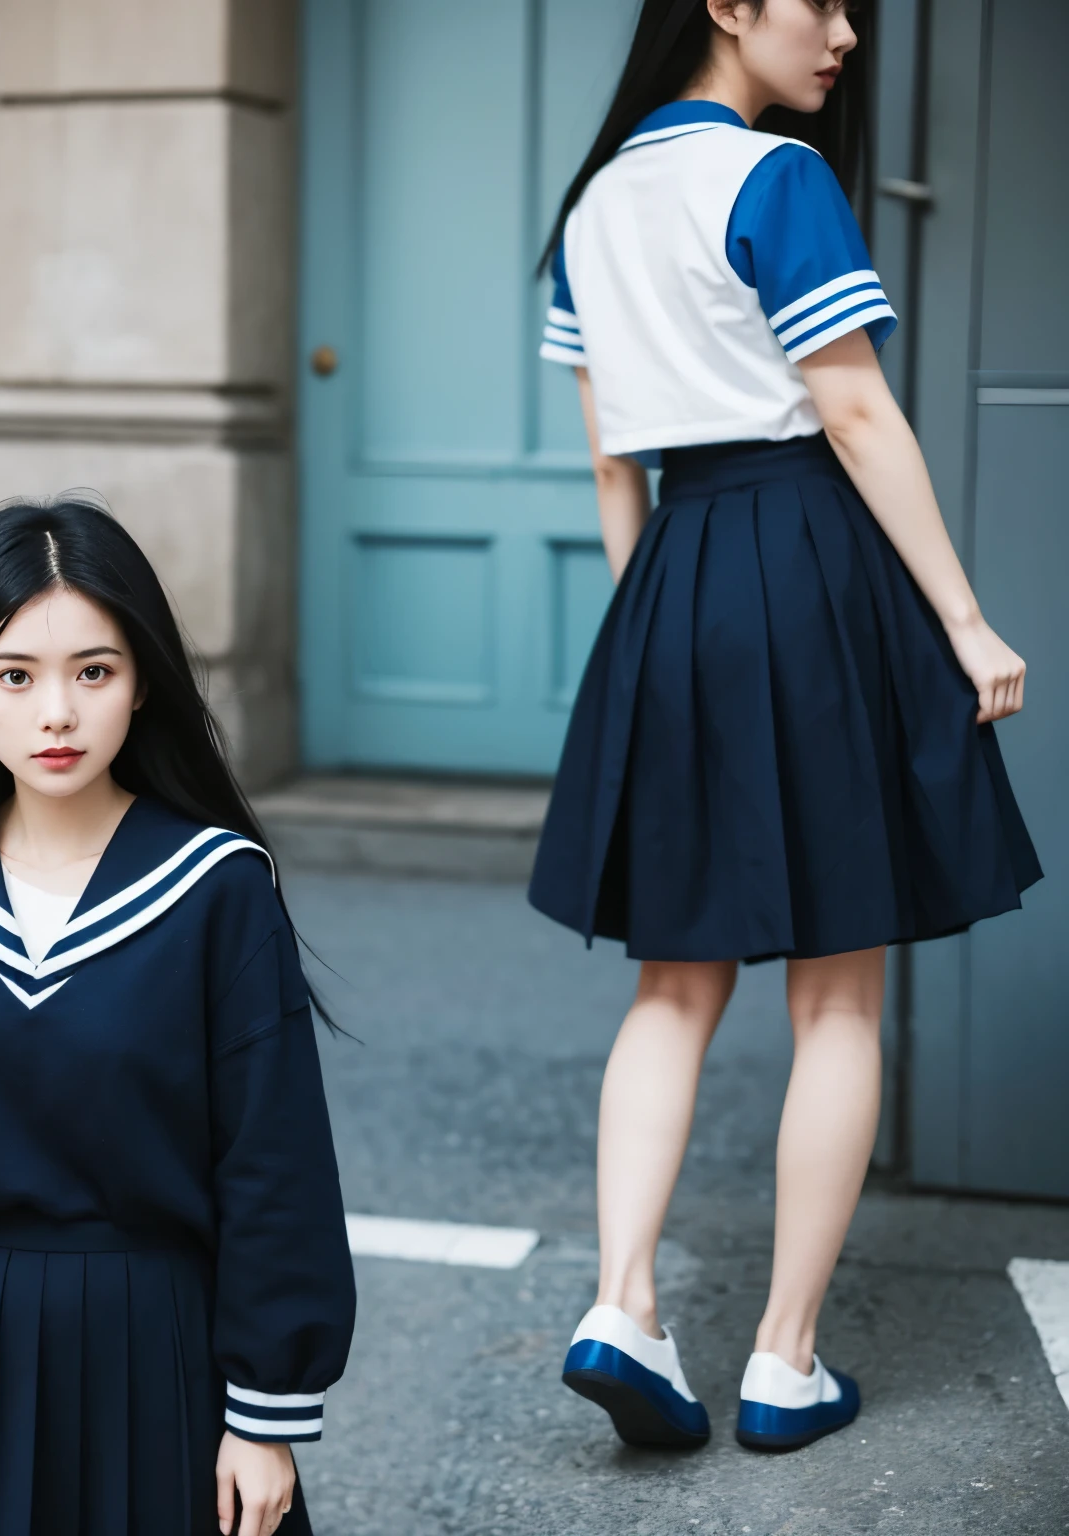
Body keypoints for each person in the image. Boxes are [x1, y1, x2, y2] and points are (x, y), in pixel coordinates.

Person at [530, 0, 1040, 1453]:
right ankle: (783, 1362)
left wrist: (657, 646)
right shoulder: (777, 178)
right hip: (806, 559)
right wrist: (961, 616)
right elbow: (857, 417)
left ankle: (621, 1302)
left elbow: (611, 458)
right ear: (726, 5)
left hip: (676, 578)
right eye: (819, 3)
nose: (844, 35)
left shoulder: (596, 203)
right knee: (838, 991)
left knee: (673, 989)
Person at [0, 494, 355, 1533]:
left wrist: (264, 1414)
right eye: (16, 676)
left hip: (153, 1344)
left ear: (141, 680)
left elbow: (273, 1159)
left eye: (93, 672)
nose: (56, 713)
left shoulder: (216, 887)